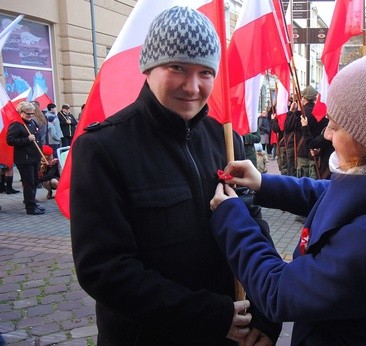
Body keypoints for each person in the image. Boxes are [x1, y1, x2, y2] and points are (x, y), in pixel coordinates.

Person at [209, 29, 366, 344]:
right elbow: (338, 197)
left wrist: (231, 216)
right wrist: (264, 183)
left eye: (336, 124)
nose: (328, 135)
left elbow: (278, 292)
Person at [69, 7, 280, 345]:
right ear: (149, 67)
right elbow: (105, 270)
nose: (192, 86)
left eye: (205, 72)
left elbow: (253, 226)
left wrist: (267, 314)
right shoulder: (103, 148)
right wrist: (210, 316)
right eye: (177, 67)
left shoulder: (226, 140)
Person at [6, 102, 45, 215]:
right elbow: (10, 141)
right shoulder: (16, 125)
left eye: (32, 113)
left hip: (34, 157)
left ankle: (32, 202)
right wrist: (27, 139)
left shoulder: (32, 122)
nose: (30, 116)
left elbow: (37, 140)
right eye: (28, 114)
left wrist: (41, 154)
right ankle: (30, 207)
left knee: (34, 182)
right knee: (29, 183)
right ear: (21, 113)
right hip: (24, 159)